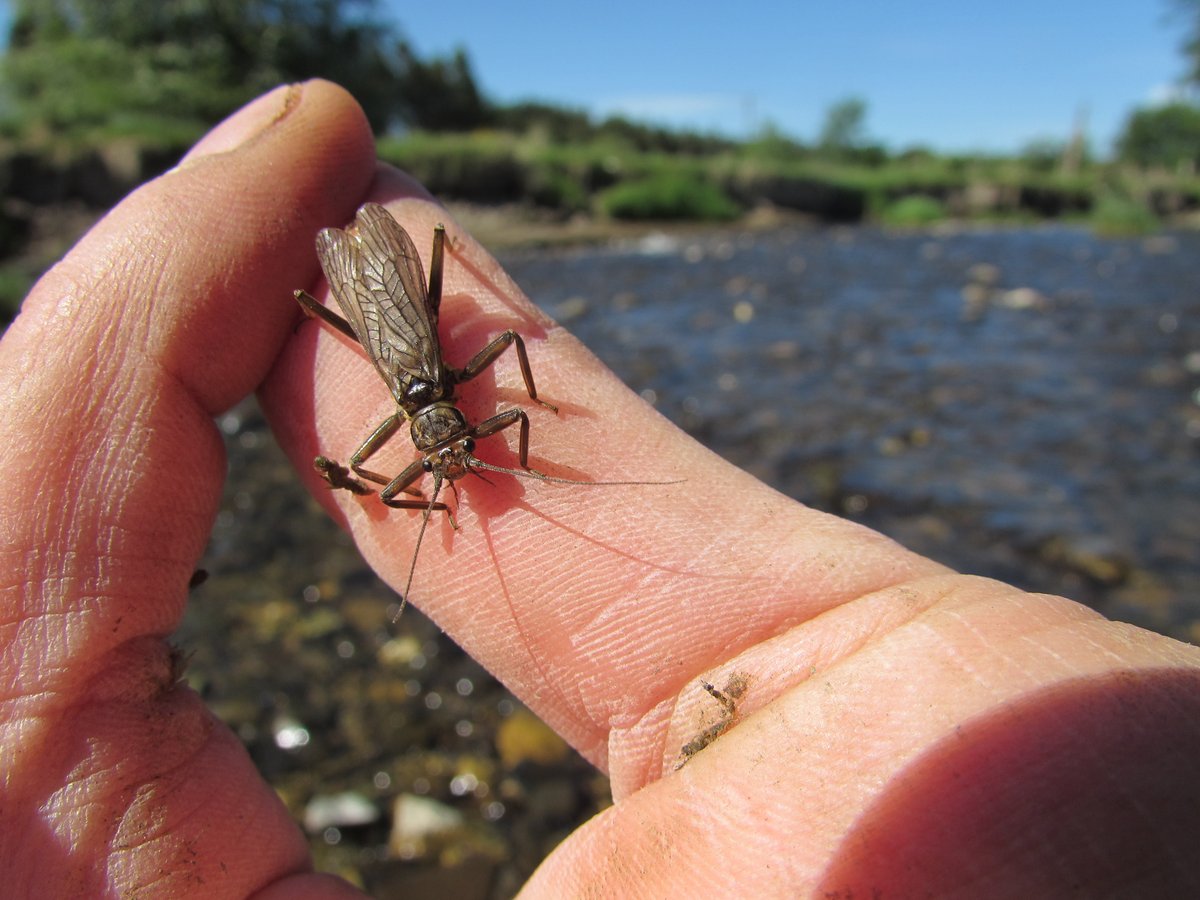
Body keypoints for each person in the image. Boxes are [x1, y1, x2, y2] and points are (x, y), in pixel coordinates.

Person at [1, 81, 1197, 898]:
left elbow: (492, 399)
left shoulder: (459, 405)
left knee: (419, 348)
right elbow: (411, 445)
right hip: (368, 311)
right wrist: (404, 488)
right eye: (447, 455)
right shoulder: (424, 432)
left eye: (448, 455)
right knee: (363, 361)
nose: (457, 460)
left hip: (403, 326)